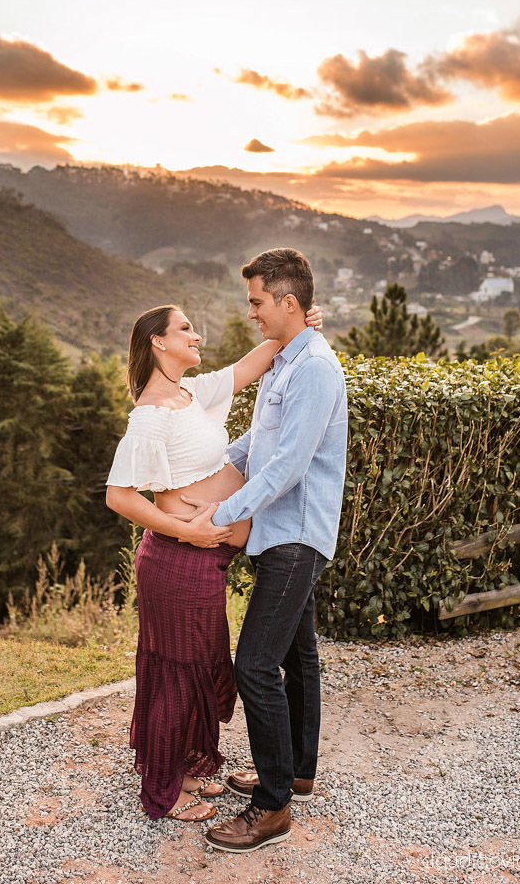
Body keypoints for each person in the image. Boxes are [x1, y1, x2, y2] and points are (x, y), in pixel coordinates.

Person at [105, 300, 322, 823]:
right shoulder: (152, 413)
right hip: (177, 560)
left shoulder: (190, 394)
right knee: (178, 674)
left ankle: (183, 770)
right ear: (158, 342)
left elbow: (253, 365)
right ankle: (167, 789)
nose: (196, 335)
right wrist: (187, 529)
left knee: (196, 670)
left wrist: (299, 325)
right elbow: (120, 496)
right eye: (185, 329)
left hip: (202, 561)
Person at [181, 248, 348, 854]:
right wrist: (206, 468)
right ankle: (297, 771)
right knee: (298, 657)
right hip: (282, 531)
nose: (250, 312)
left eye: (256, 302)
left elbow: (289, 465)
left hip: (296, 535)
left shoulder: (315, 369)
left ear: (288, 302)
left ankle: (272, 806)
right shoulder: (287, 360)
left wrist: (219, 516)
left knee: (253, 665)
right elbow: (260, 441)